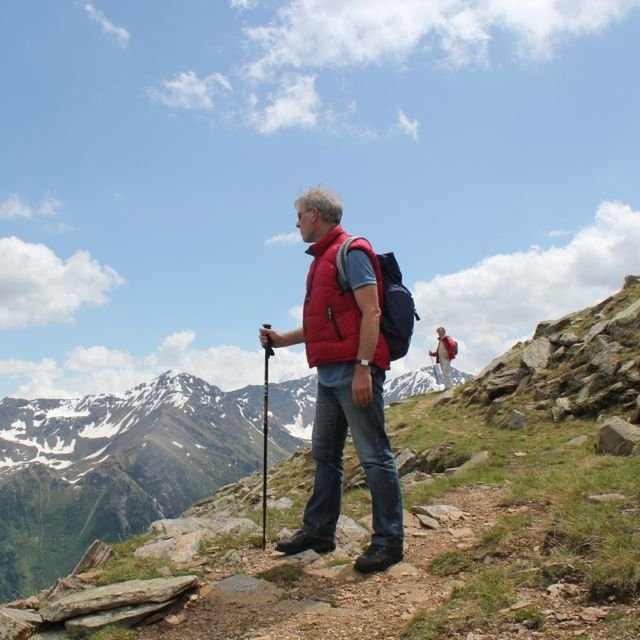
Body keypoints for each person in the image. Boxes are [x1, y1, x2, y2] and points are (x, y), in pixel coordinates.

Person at [259, 186, 404, 574]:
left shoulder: (351, 252)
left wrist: (363, 367)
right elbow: (326, 324)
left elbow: (371, 312)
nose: (297, 224)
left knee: (374, 455)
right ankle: (319, 532)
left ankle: (389, 541)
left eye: (299, 216)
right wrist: (282, 340)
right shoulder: (322, 259)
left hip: (354, 371)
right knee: (325, 454)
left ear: (315, 214)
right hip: (329, 374)